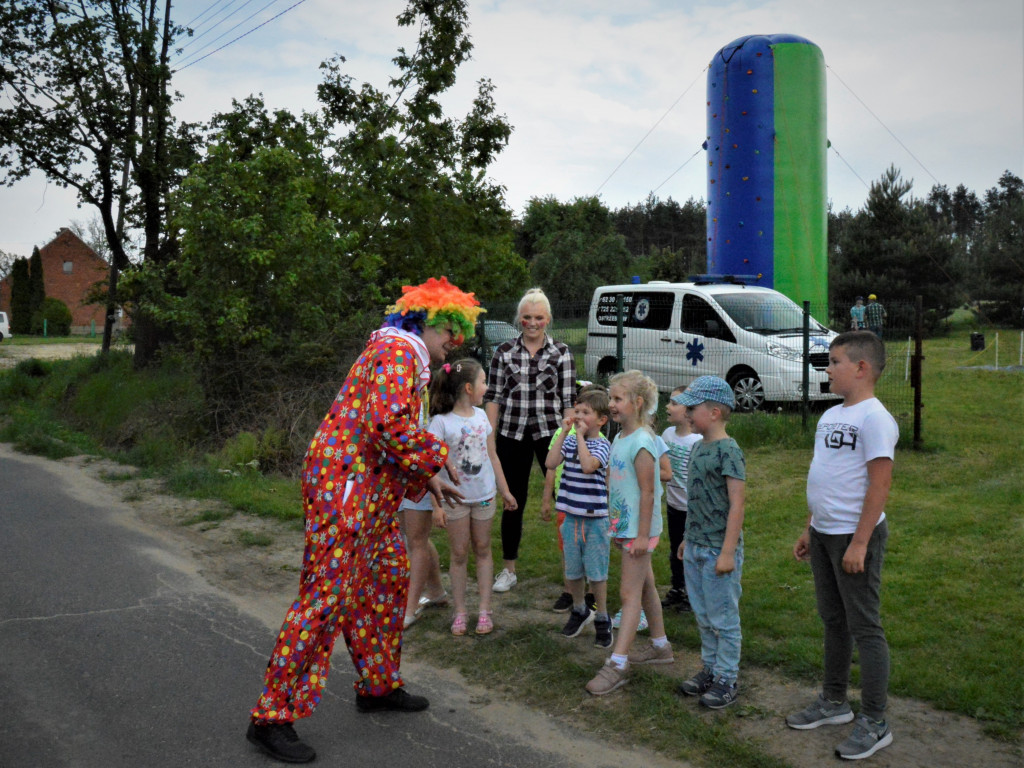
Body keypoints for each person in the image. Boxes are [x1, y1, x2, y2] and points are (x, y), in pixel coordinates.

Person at [247, 277, 481, 764]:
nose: (448, 354)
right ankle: (270, 717)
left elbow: (392, 431)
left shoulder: (401, 352)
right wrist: (436, 459)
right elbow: (387, 425)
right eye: (449, 338)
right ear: (432, 322)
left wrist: (426, 478)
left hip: (370, 491)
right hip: (346, 489)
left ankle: (377, 684)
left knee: (387, 578)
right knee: (325, 597)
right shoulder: (400, 351)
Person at [787, 331, 898, 761]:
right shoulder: (830, 415)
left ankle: (876, 719)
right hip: (823, 533)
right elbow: (826, 475)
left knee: (865, 625)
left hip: (855, 537)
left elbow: (880, 482)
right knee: (834, 620)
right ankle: (834, 702)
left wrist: (861, 542)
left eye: (834, 362)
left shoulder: (875, 418)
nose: (827, 369)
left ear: (861, 368)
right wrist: (808, 527)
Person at [585, 371, 672, 695]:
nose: (611, 404)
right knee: (645, 585)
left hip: (640, 530)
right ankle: (661, 647)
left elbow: (648, 492)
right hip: (625, 527)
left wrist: (640, 535)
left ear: (637, 403)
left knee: (628, 595)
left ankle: (618, 663)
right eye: (611, 397)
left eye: (617, 398)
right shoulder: (620, 437)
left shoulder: (643, 442)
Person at [486, 287, 576, 593]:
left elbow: (568, 400)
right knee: (513, 500)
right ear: (519, 320)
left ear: (548, 319)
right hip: (512, 432)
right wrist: (488, 435)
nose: (533, 323)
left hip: (552, 433)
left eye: (538, 317)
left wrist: (570, 436)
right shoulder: (503, 352)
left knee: (564, 498)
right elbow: (494, 397)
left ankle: (573, 571)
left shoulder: (561, 353)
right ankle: (508, 569)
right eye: (527, 317)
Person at [426, 358, 517, 636]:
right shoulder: (440, 423)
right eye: (483, 382)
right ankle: (461, 611)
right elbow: (430, 467)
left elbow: (493, 456)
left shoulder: (481, 417)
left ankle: (485, 609)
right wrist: (436, 506)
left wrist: (505, 490)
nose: (486, 387)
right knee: (458, 553)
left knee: (483, 548)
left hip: (485, 496)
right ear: (468, 387)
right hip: (454, 500)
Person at [673, 375, 746, 710]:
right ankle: (711, 670)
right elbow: (695, 499)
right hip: (697, 546)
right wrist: (688, 538)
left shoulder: (728, 451)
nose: (687, 413)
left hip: (719, 549)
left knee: (723, 618)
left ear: (714, 412)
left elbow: (737, 504)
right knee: (703, 615)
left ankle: (727, 678)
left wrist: (728, 551)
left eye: (693, 408)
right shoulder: (698, 447)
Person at [545, 386, 613, 647]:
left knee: (596, 573)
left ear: (601, 420)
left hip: (594, 519)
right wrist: (565, 432)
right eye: (577, 411)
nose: (579, 416)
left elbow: (587, 466)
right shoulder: (570, 439)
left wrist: (581, 438)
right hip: (570, 516)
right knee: (572, 570)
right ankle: (578, 608)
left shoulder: (603, 445)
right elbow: (551, 463)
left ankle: (602, 617)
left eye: (586, 413)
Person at [659, 385, 702, 613]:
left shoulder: (697, 441)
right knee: (675, 548)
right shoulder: (666, 435)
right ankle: (678, 588)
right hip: (673, 505)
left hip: (691, 508)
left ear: (688, 411)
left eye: (674, 403)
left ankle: (693, 594)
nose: (668, 406)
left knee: (691, 551)